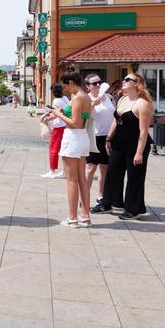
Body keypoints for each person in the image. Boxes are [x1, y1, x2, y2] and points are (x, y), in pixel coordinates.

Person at [90, 73, 153, 219]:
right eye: (124, 79)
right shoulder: (123, 99)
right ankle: (108, 203)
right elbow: (116, 120)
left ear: (137, 84)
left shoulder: (142, 103)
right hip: (119, 143)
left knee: (134, 177)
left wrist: (139, 153)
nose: (123, 81)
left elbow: (143, 132)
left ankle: (133, 209)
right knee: (112, 173)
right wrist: (109, 138)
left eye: (127, 80)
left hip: (136, 144)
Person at [49, 71, 92, 228]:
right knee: (81, 179)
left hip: (73, 137)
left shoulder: (78, 98)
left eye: (65, 85)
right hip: (81, 137)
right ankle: (85, 216)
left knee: (71, 180)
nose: (65, 89)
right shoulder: (85, 96)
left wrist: (58, 114)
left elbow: (74, 122)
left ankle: (73, 218)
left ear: (72, 83)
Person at [84, 73, 115, 204]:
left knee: (105, 168)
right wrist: (92, 105)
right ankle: (84, 197)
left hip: (109, 137)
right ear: (87, 87)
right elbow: (83, 116)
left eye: (99, 82)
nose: (97, 85)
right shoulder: (86, 99)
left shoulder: (108, 97)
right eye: (94, 83)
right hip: (94, 137)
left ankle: (100, 196)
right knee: (90, 168)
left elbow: (115, 114)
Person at [40, 83, 69, 179]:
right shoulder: (65, 99)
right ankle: (65, 171)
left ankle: (52, 171)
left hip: (58, 127)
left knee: (53, 149)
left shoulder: (56, 101)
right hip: (66, 125)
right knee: (64, 149)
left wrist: (47, 119)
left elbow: (56, 114)